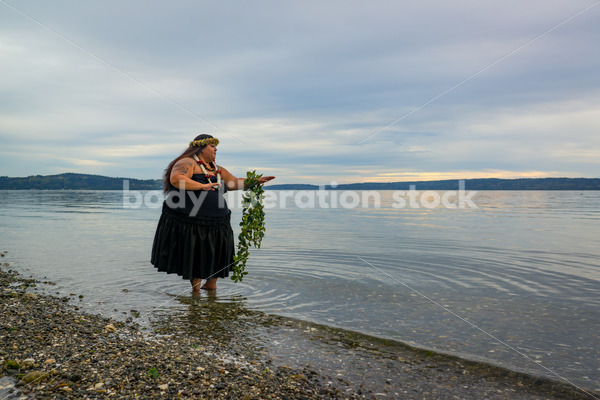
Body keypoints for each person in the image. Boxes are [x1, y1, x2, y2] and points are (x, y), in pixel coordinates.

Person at [151, 134, 275, 292]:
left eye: (216, 147)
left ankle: (211, 290)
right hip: (193, 220)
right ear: (200, 148)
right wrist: (201, 186)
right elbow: (176, 179)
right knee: (196, 254)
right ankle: (195, 294)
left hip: (218, 221)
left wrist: (255, 181)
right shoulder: (187, 162)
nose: (215, 149)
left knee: (216, 254)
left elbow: (233, 182)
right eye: (212, 146)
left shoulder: (217, 169)